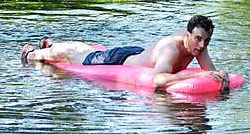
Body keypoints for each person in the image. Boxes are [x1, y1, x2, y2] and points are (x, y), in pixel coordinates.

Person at [20, 15, 229, 91]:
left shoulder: (198, 45)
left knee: (86, 52)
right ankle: (32, 53)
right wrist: (199, 75)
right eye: (199, 39)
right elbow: (158, 80)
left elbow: (210, 73)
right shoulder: (171, 48)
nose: (202, 46)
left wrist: (220, 76)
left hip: (138, 55)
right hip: (120, 61)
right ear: (187, 34)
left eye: (206, 40)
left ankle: (52, 44)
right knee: (79, 56)